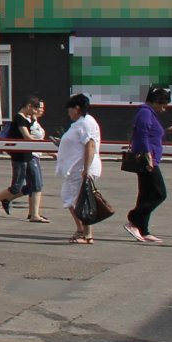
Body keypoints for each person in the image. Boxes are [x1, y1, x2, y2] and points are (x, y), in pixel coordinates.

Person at [0, 96, 50, 223]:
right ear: (29, 106)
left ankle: (34, 214)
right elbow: (27, 137)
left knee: (35, 185)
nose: (36, 112)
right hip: (20, 157)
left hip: (28, 156)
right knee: (16, 187)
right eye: (35, 109)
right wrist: (43, 144)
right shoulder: (19, 118)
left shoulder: (27, 119)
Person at [123, 85, 170, 244]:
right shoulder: (145, 112)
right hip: (147, 160)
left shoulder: (149, 114)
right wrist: (148, 156)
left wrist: (167, 130)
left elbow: (152, 133)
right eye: (162, 105)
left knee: (146, 195)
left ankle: (143, 230)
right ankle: (134, 219)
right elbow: (142, 135)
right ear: (155, 101)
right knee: (159, 193)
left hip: (150, 159)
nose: (163, 109)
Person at [55, 93, 103, 244]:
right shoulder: (79, 123)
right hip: (74, 169)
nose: (68, 113)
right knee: (68, 198)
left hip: (82, 168)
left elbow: (90, 145)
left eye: (69, 109)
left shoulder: (86, 123)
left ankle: (88, 235)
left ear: (76, 108)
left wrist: (86, 169)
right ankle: (81, 229)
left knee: (80, 200)